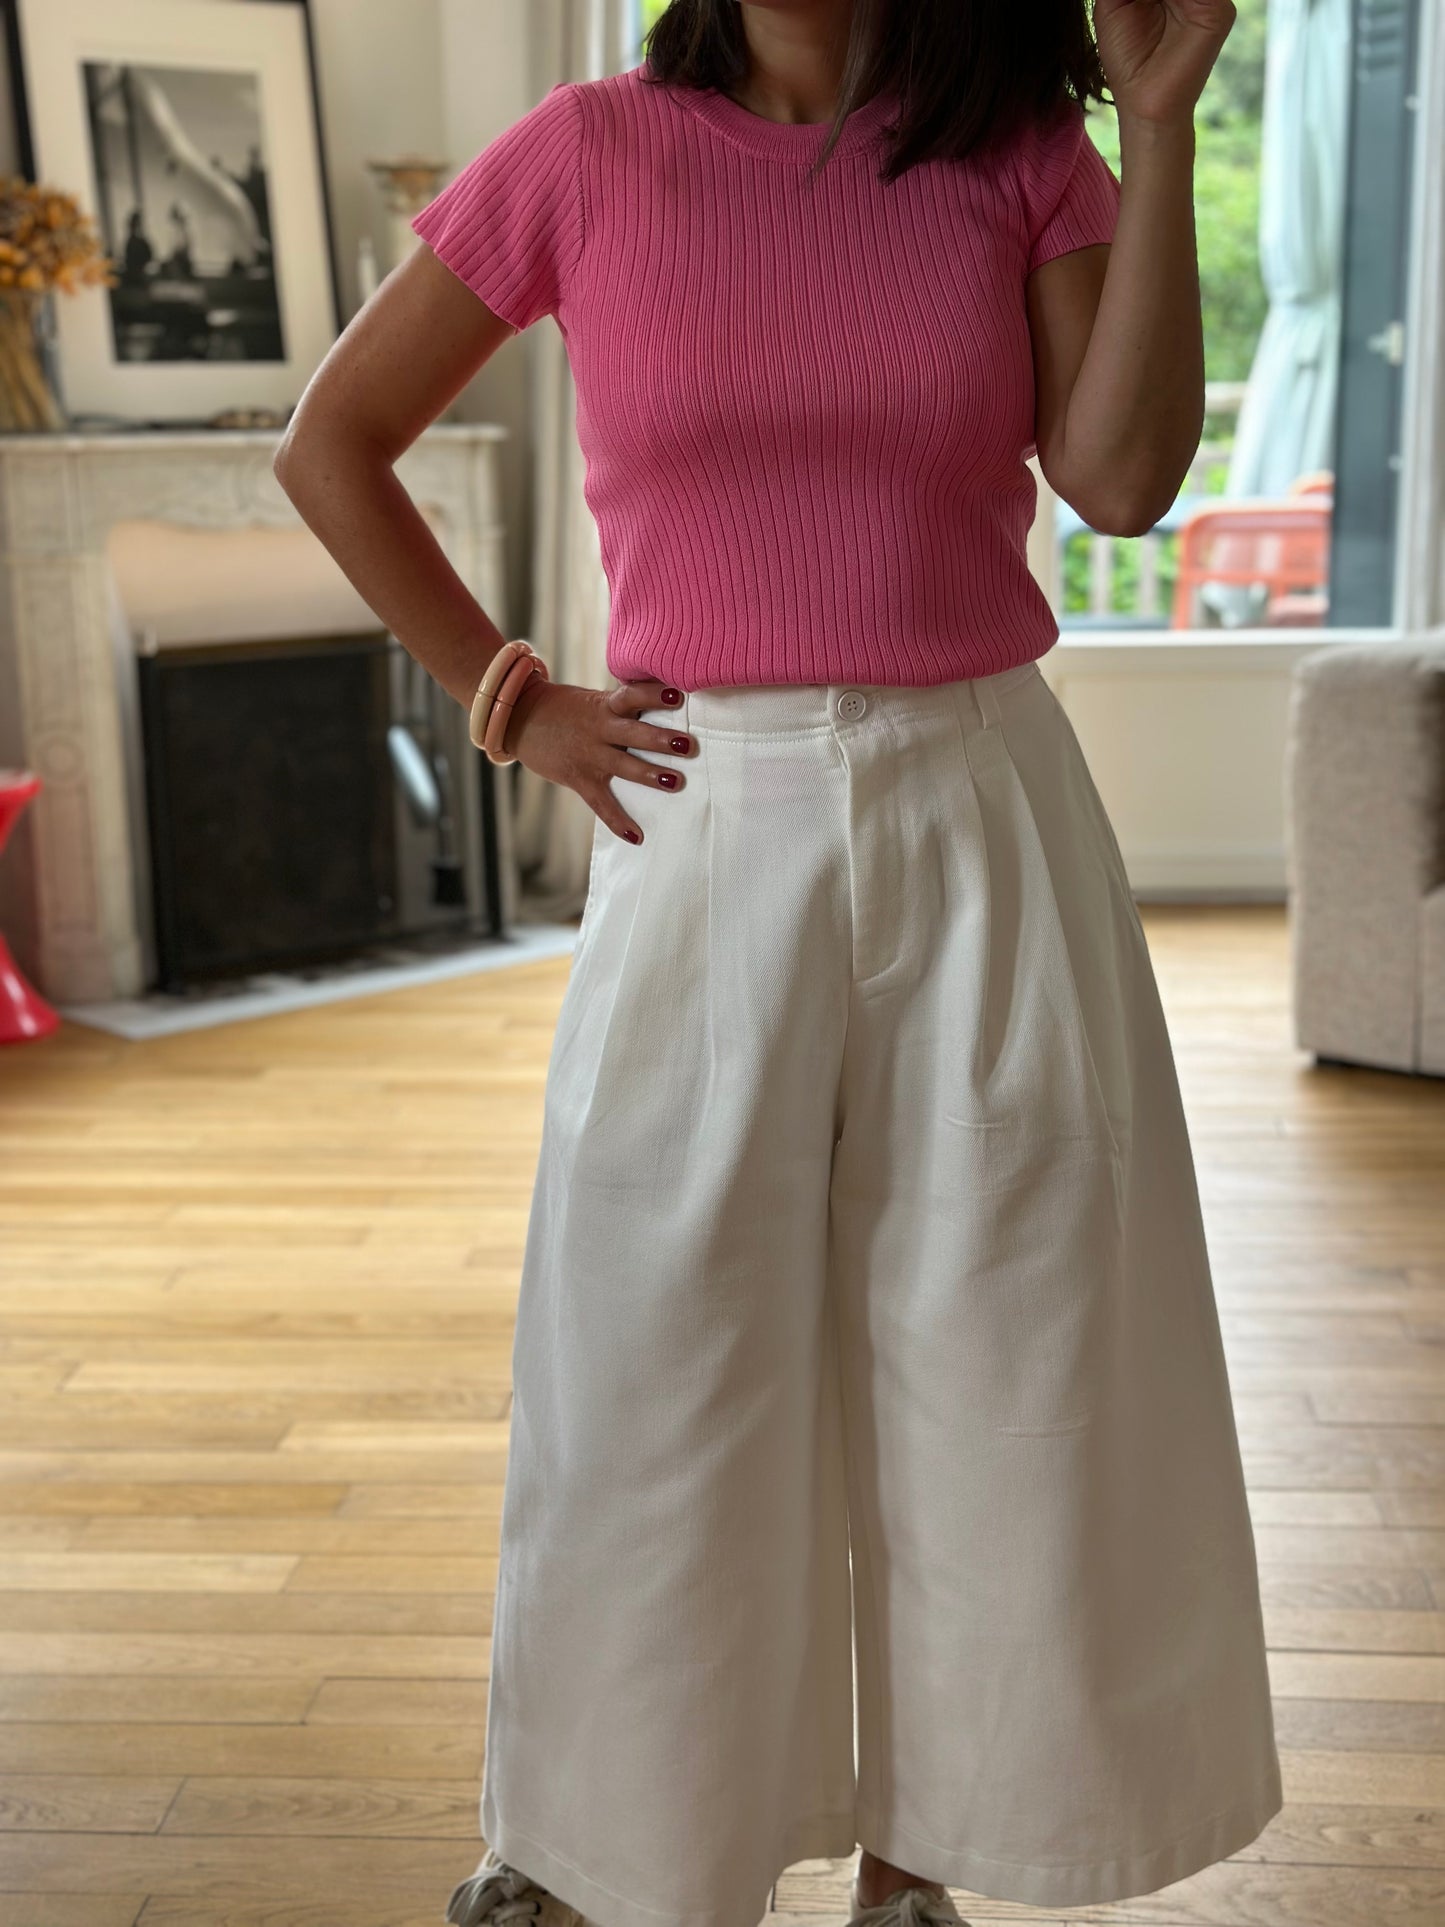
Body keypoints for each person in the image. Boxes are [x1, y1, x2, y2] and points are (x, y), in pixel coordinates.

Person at [273, 5, 1281, 1927]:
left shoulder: (1012, 151)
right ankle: (594, 1851)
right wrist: (512, 700)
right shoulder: (585, 154)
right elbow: (333, 442)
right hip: (699, 805)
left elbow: (1122, 481)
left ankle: (926, 1868)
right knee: (649, 1354)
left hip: (977, 802)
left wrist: (1157, 125)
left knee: (1009, 1352)